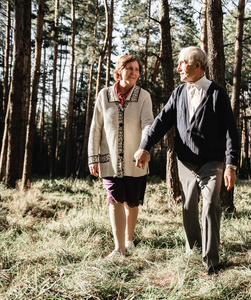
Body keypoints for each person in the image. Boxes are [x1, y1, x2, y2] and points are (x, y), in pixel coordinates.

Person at [134, 46, 239, 274]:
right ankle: (193, 249)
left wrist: (230, 164)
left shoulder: (217, 93)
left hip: (212, 162)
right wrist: (144, 146)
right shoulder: (179, 93)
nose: (179, 67)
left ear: (198, 66)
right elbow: (161, 122)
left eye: (183, 62)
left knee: (211, 204)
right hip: (186, 163)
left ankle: (211, 262)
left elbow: (231, 131)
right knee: (189, 206)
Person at [88, 55, 154, 258]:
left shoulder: (144, 96)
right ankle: (119, 249)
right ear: (119, 71)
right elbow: (96, 127)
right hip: (109, 160)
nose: (133, 72)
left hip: (136, 161)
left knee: (132, 202)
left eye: (136, 69)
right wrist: (93, 156)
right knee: (115, 199)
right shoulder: (104, 95)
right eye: (129, 68)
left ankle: (129, 239)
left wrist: (144, 147)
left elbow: (148, 124)